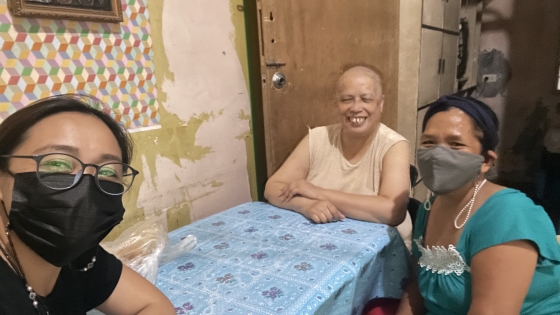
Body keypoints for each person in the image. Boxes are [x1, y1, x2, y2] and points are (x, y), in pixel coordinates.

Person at [0, 95, 175, 314]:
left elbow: (153, 305)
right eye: (57, 163)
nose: (86, 187)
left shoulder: (80, 257)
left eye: (109, 172)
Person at [396, 95, 560, 315]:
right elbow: (416, 287)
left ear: (485, 161)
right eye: (429, 142)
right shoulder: (430, 207)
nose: (438, 154)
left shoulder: (507, 215)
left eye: (455, 144)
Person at [264, 65, 412, 246]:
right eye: (347, 99)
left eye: (366, 99)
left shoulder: (394, 145)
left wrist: (318, 193)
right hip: (321, 241)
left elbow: (392, 211)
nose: (356, 108)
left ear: (380, 104)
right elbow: (272, 187)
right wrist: (304, 205)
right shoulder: (317, 138)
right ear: (337, 104)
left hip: (382, 250)